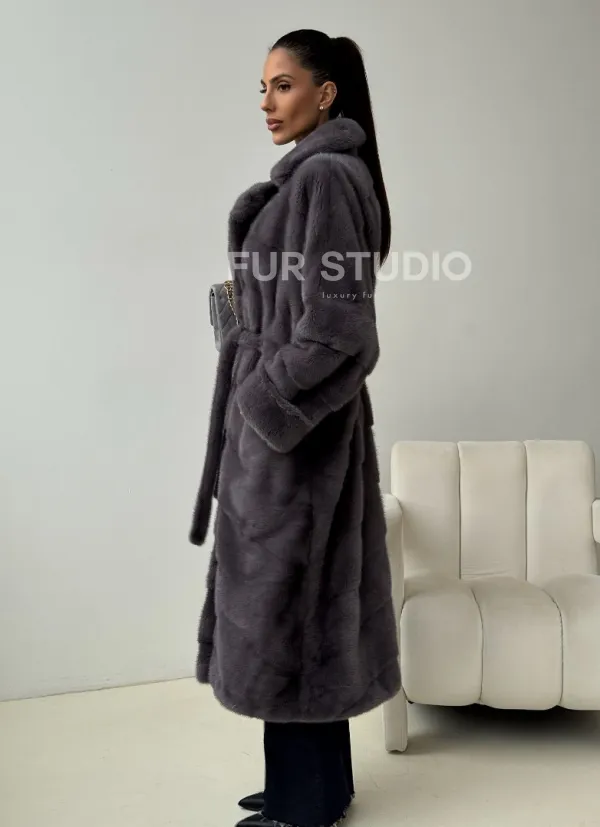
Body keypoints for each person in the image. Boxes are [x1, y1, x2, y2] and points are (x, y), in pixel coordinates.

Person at [189, 28, 401, 827]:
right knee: (301, 608)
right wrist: (239, 325)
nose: (268, 103)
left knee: (292, 610)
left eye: (283, 85)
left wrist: (263, 401)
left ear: (325, 93)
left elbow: (342, 331)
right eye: (264, 88)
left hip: (297, 445)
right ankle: (315, 782)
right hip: (292, 441)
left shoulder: (327, 179)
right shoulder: (311, 180)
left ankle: (302, 803)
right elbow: (291, 312)